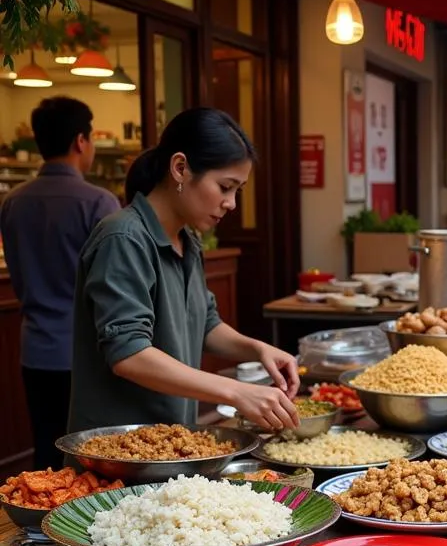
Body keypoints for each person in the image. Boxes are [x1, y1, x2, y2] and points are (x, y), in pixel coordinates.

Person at [69, 107, 301, 434]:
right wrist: (236, 391)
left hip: (170, 444)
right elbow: (129, 354)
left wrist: (257, 349)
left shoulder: (187, 239)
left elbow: (204, 323)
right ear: (180, 168)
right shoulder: (123, 238)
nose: (232, 203)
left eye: (238, 190)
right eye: (225, 187)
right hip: (117, 451)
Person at [0, 97, 120, 469]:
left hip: (35, 346)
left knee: (46, 451)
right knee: (98, 456)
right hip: (87, 351)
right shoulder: (100, 203)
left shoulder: (12, 202)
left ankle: (38, 523)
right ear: (81, 141)